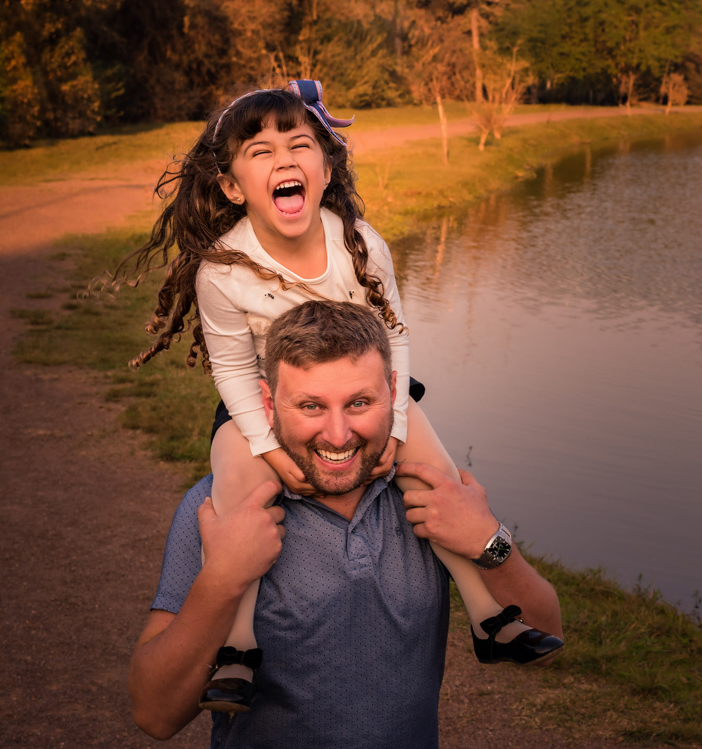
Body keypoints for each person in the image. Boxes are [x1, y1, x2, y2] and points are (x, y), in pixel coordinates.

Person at [111, 80, 560, 713]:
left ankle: (488, 614)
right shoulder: (223, 269)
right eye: (261, 151)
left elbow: (395, 335)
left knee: (437, 480)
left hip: (372, 399)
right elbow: (233, 371)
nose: (284, 159)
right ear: (233, 187)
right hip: (263, 408)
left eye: (300, 145)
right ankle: (237, 646)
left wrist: (396, 425)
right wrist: (267, 449)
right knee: (238, 492)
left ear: (326, 169)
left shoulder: (359, 243)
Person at [129, 300, 564, 745]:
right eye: (310, 406)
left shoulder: (435, 495)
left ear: (394, 392)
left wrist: (490, 543)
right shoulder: (218, 508)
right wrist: (222, 578)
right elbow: (155, 716)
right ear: (268, 403)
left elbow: (547, 643)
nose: (338, 436)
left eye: (359, 402)